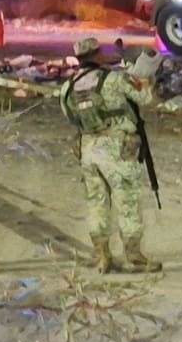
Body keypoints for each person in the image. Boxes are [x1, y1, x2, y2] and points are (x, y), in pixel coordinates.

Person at [59, 37, 161, 274]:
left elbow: (70, 116)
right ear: (97, 55)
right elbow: (145, 98)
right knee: (127, 201)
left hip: (88, 149)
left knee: (96, 203)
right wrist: (147, 78)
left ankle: (103, 256)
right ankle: (134, 256)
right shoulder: (114, 80)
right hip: (115, 147)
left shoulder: (68, 87)